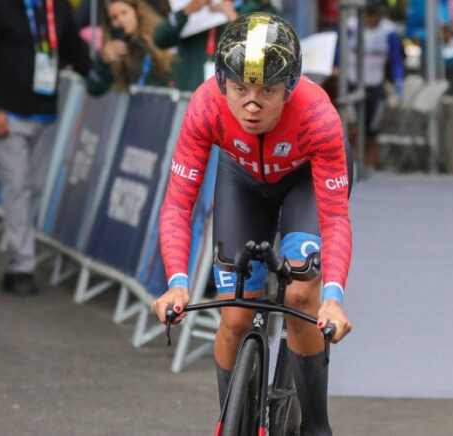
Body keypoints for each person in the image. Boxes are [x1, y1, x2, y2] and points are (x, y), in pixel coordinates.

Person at [152, 12, 353, 435]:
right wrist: (176, 281)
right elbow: (177, 204)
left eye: (268, 90)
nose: (251, 104)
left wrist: (332, 296)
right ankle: (231, 420)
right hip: (242, 179)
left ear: (291, 86)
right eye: (239, 88)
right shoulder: (206, 104)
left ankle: (316, 425)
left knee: (301, 296)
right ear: (222, 81)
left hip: (304, 181)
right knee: (236, 315)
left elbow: (334, 218)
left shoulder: (319, 117)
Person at [0, 0, 91, 295]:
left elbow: (76, 51)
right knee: (18, 187)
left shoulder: (57, 7)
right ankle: (21, 266)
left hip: (45, 115)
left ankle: (21, 254)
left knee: (35, 187)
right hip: (8, 115)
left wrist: (106, 70)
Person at [153, 0, 275, 91]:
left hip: (232, 97)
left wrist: (231, 15)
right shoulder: (192, 7)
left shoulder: (258, 7)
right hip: (190, 94)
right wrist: (187, 11)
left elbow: (261, 51)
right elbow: (160, 39)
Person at [345, 1, 405, 168]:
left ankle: (369, 167)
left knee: (372, 132)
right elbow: (339, 52)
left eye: (376, 15)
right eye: (370, 15)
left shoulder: (389, 30)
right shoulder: (351, 26)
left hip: (375, 84)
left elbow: (396, 60)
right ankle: (353, 166)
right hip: (352, 83)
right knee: (353, 129)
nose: (372, 20)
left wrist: (399, 83)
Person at [86, 0, 174, 95]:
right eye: (114, 18)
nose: (120, 20)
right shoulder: (114, 49)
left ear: (136, 11)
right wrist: (103, 62)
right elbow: (94, 89)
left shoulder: (158, 35)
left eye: (124, 13)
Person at [407, 0, 453, 96]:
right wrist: (432, 34)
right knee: (430, 102)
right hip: (430, 63)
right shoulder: (419, 2)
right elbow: (411, 32)